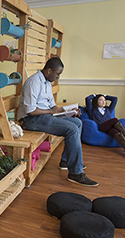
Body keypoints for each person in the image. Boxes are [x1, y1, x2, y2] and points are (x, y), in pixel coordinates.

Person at [17, 57, 98, 187]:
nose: (58, 77)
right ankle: (75, 173)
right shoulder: (34, 82)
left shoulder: (47, 83)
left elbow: (53, 107)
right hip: (30, 120)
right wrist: (51, 112)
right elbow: (30, 110)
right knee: (71, 129)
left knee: (77, 123)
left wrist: (69, 111)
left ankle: (66, 161)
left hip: (43, 116)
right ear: (49, 71)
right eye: (57, 74)